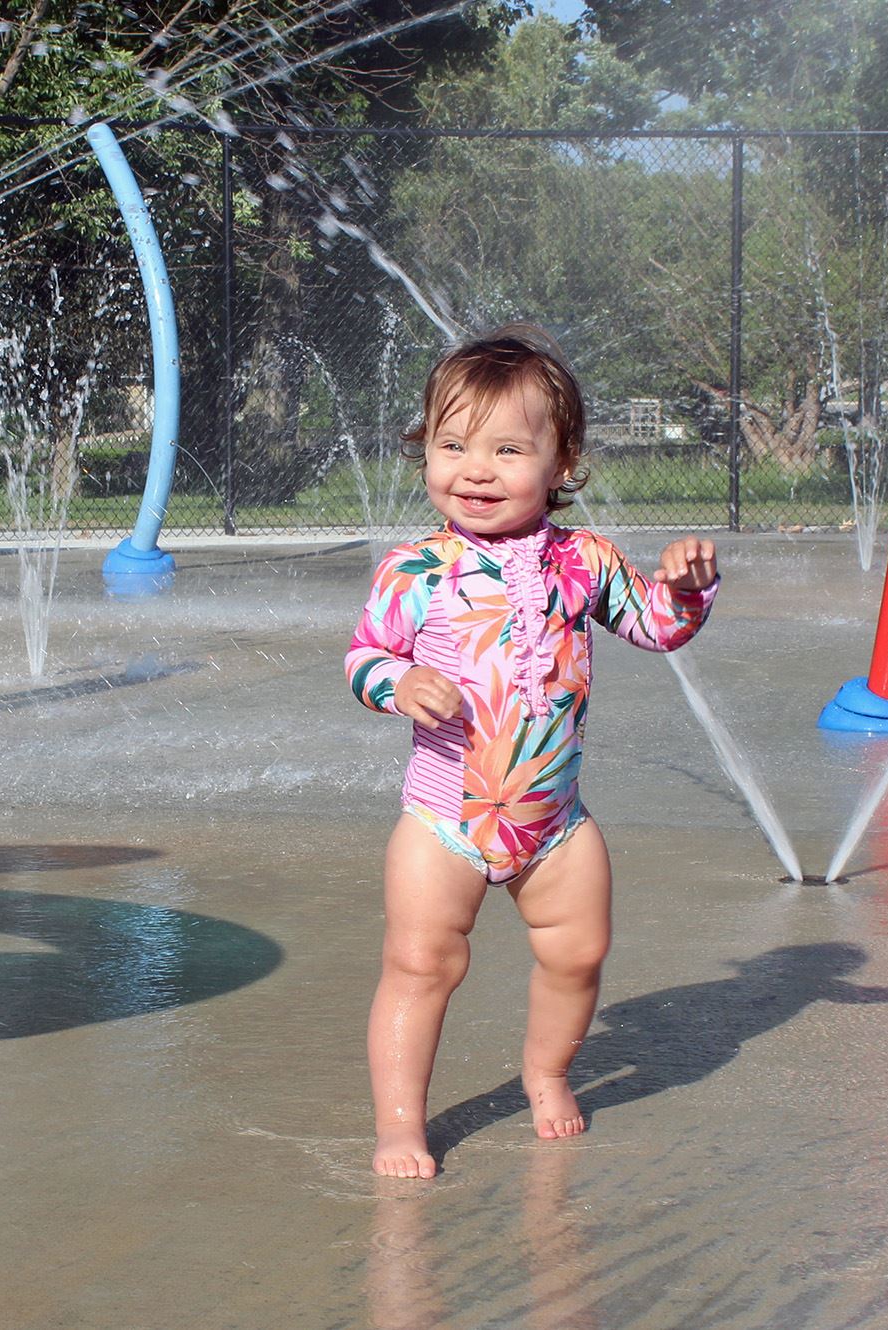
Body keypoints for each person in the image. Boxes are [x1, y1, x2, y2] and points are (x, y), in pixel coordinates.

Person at [345, 324, 720, 1178]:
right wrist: (397, 684)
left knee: (578, 951)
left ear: (561, 462)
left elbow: (654, 628)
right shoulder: (417, 569)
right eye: (452, 445)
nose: (475, 469)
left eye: (507, 449)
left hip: (554, 820)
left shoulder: (583, 560)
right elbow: (364, 654)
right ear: (426, 452)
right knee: (419, 964)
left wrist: (688, 592)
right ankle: (400, 1123)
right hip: (446, 815)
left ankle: (545, 1074)